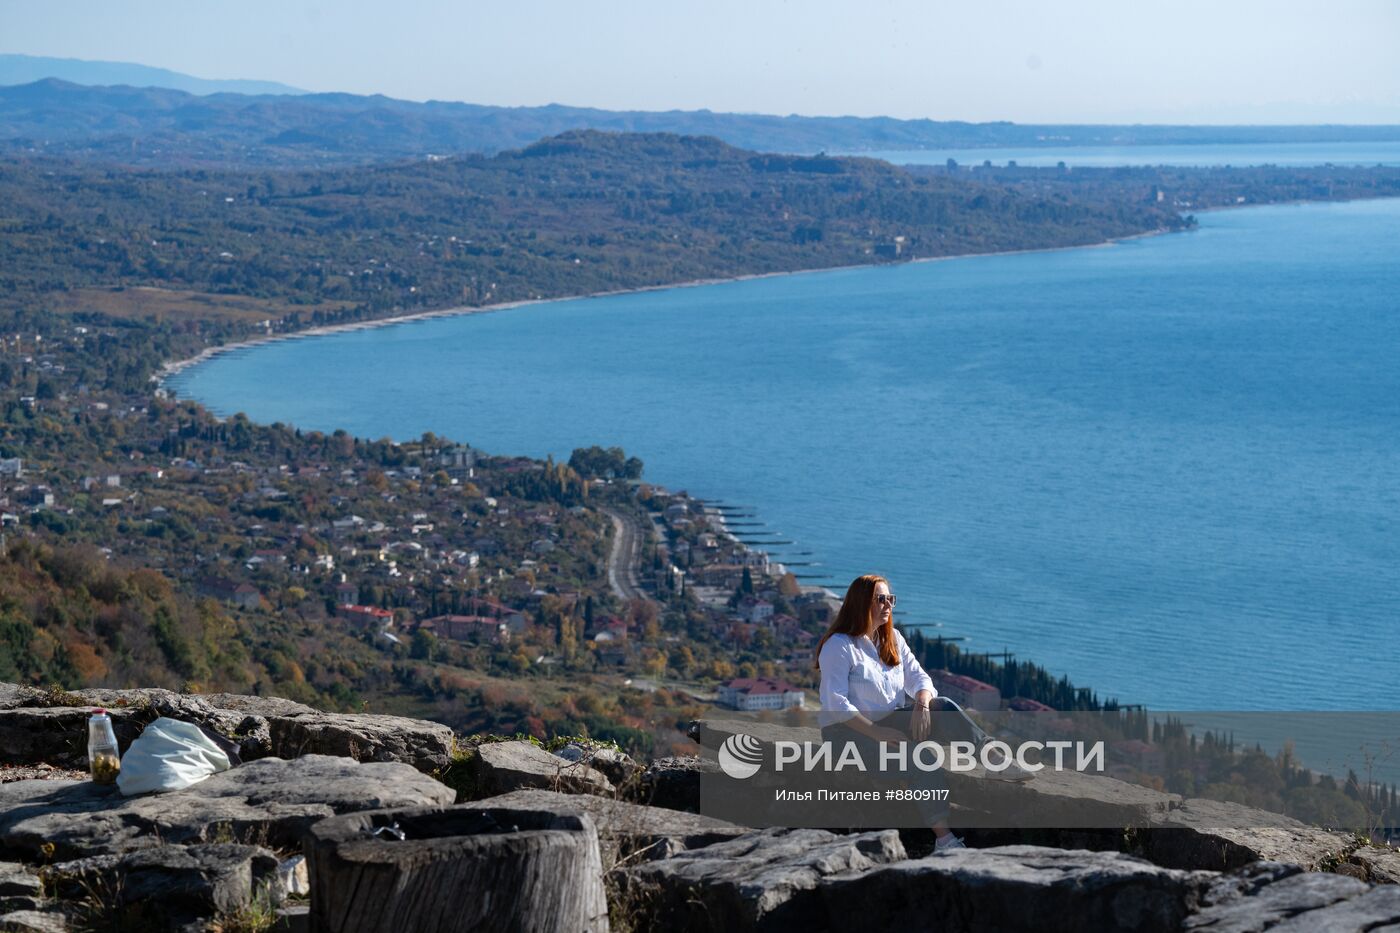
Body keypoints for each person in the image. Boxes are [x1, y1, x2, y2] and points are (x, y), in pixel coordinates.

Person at [816, 573, 1028, 851]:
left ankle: (994, 760)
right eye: (880, 599)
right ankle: (945, 840)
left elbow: (921, 680)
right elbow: (836, 704)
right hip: (847, 735)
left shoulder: (891, 638)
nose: (888, 604)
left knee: (945, 707)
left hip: (888, 721)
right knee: (921, 759)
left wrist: (921, 703)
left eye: (890, 598)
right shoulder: (839, 646)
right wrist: (877, 732)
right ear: (860, 603)